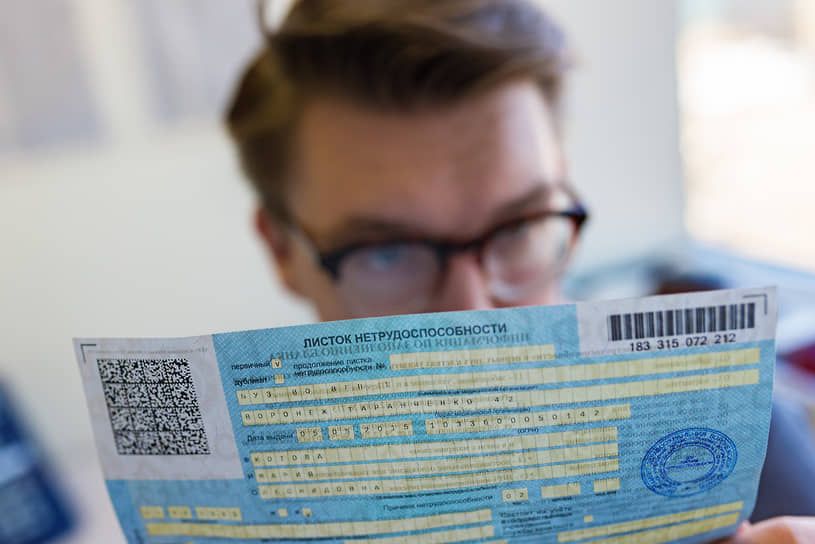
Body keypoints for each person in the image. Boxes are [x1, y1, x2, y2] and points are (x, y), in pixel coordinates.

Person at [225, 1, 815, 542]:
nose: (471, 316)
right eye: (385, 253)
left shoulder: (745, 447)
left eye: (518, 227)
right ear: (281, 251)